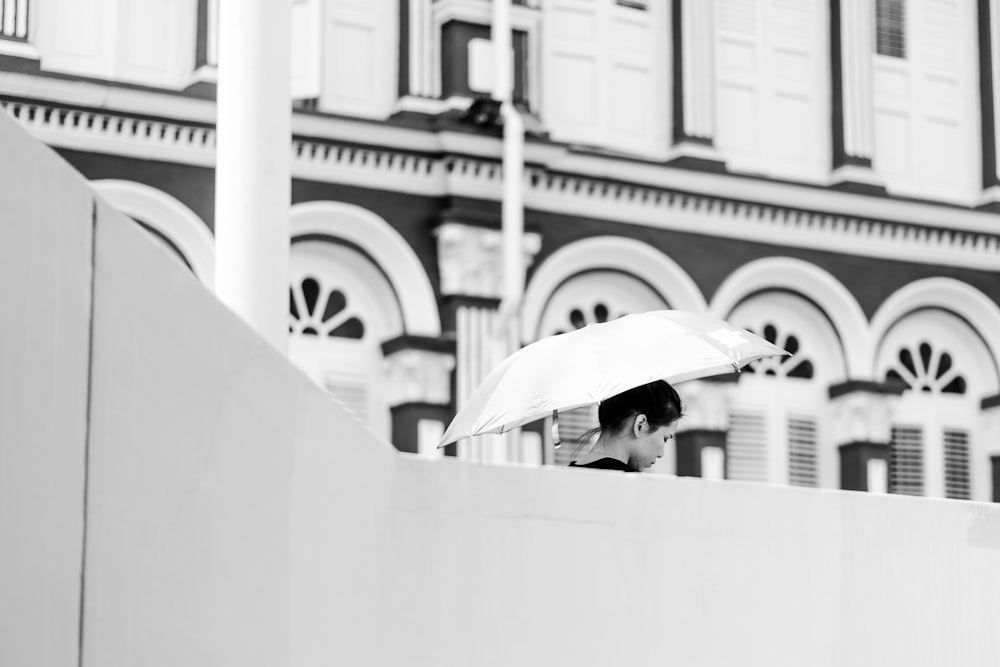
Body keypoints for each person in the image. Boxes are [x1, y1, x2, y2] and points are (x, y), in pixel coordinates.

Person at [568, 380, 684, 473]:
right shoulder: (634, 487)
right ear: (640, 425)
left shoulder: (564, 477)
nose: (661, 454)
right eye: (665, 438)